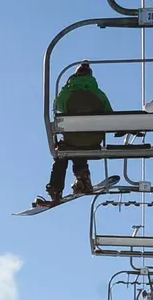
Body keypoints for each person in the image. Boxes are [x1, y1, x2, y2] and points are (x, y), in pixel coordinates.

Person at [38, 62, 115, 206]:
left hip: (72, 139)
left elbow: (58, 106)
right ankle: (83, 179)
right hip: (93, 140)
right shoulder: (99, 94)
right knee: (80, 144)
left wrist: (66, 88)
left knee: (66, 149)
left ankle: (56, 189)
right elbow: (110, 115)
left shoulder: (67, 93)